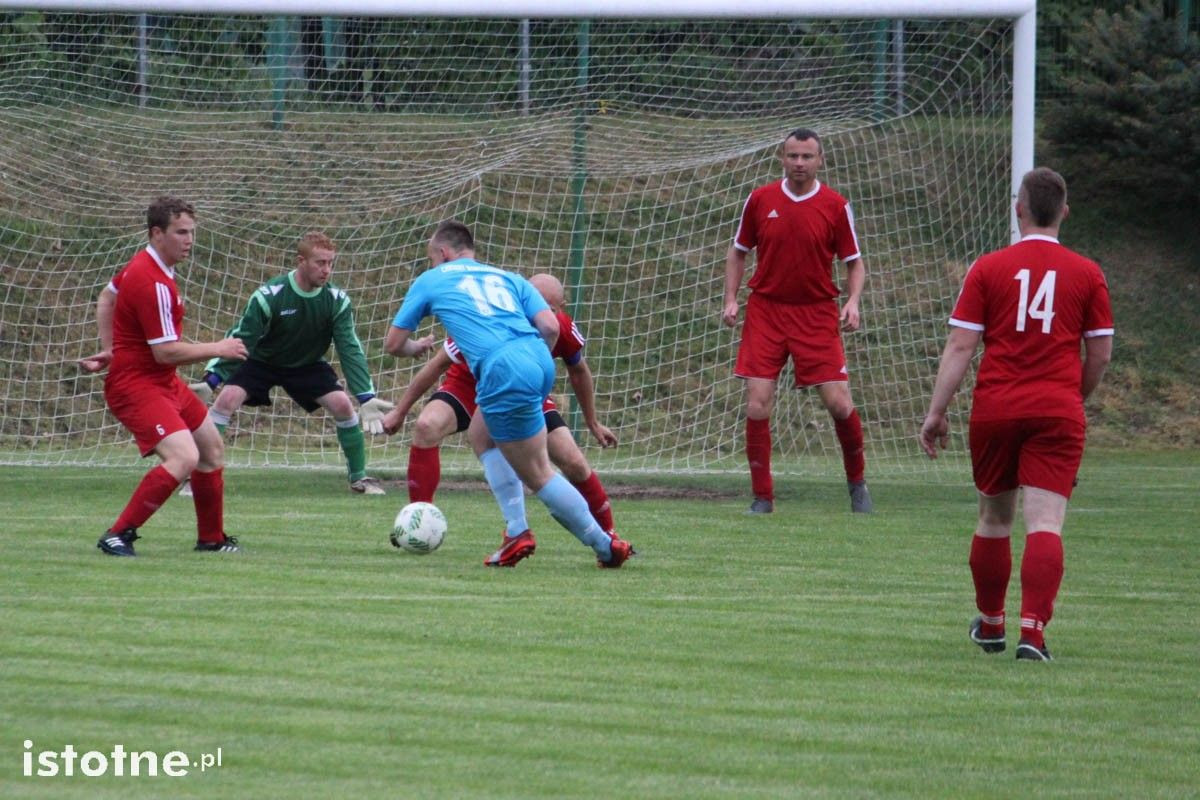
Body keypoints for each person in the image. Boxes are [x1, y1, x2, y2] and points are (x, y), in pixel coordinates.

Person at [918, 167, 1113, 662]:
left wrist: (937, 412)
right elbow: (1101, 355)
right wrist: (1074, 396)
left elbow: (962, 345)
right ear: (1064, 212)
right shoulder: (1088, 273)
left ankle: (990, 626)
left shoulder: (988, 268)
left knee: (993, 519)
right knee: (1045, 522)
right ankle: (1034, 634)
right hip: (1057, 410)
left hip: (997, 408)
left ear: (1018, 208)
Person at [384, 221, 634, 568]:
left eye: (431, 258)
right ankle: (516, 529)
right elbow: (548, 326)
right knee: (480, 434)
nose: (431, 265)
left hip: (502, 370)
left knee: (539, 473)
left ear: (443, 254)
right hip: (535, 359)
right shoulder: (509, 278)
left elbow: (393, 344)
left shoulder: (432, 279)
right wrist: (530, 363)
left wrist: (414, 348)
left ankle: (603, 545)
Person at [78, 196, 248, 556]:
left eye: (192, 232)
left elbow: (107, 298)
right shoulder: (152, 280)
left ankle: (211, 540)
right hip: (136, 386)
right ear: (157, 233)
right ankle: (118, 534)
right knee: (183, 456)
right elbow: (166, 352)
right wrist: (219, 347)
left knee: (210, 448)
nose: (189, 240)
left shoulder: (145, 266)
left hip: (162, 382)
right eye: (180, 232)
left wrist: (111, 348)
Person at [722, 127, 873, 515]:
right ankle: (762, 498)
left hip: (817, 313)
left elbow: (854, 263)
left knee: (839, 404)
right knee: (758, 404)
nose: (800, 163)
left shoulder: (835, 205)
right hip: (767, 311)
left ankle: (858, 485)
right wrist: (731, 299)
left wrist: (853, 301)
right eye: (793, 156)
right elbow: (738, 252)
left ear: (820, 160)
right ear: (782, 158)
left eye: (807, 156)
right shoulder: (760, 200)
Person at [190, 231, 400, 495]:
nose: (327, 270)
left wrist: (366, 396)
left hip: (307, 364)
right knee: (226, 400)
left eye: (330, 263)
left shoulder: (336, 301)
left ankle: (359, 478)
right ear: (301, 261)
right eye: (320, 263)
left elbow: (350, 348)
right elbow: (242, 338)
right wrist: (212, 380)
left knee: (343, 405)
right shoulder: (270, 296)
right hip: (261, 360)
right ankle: (198, 477)